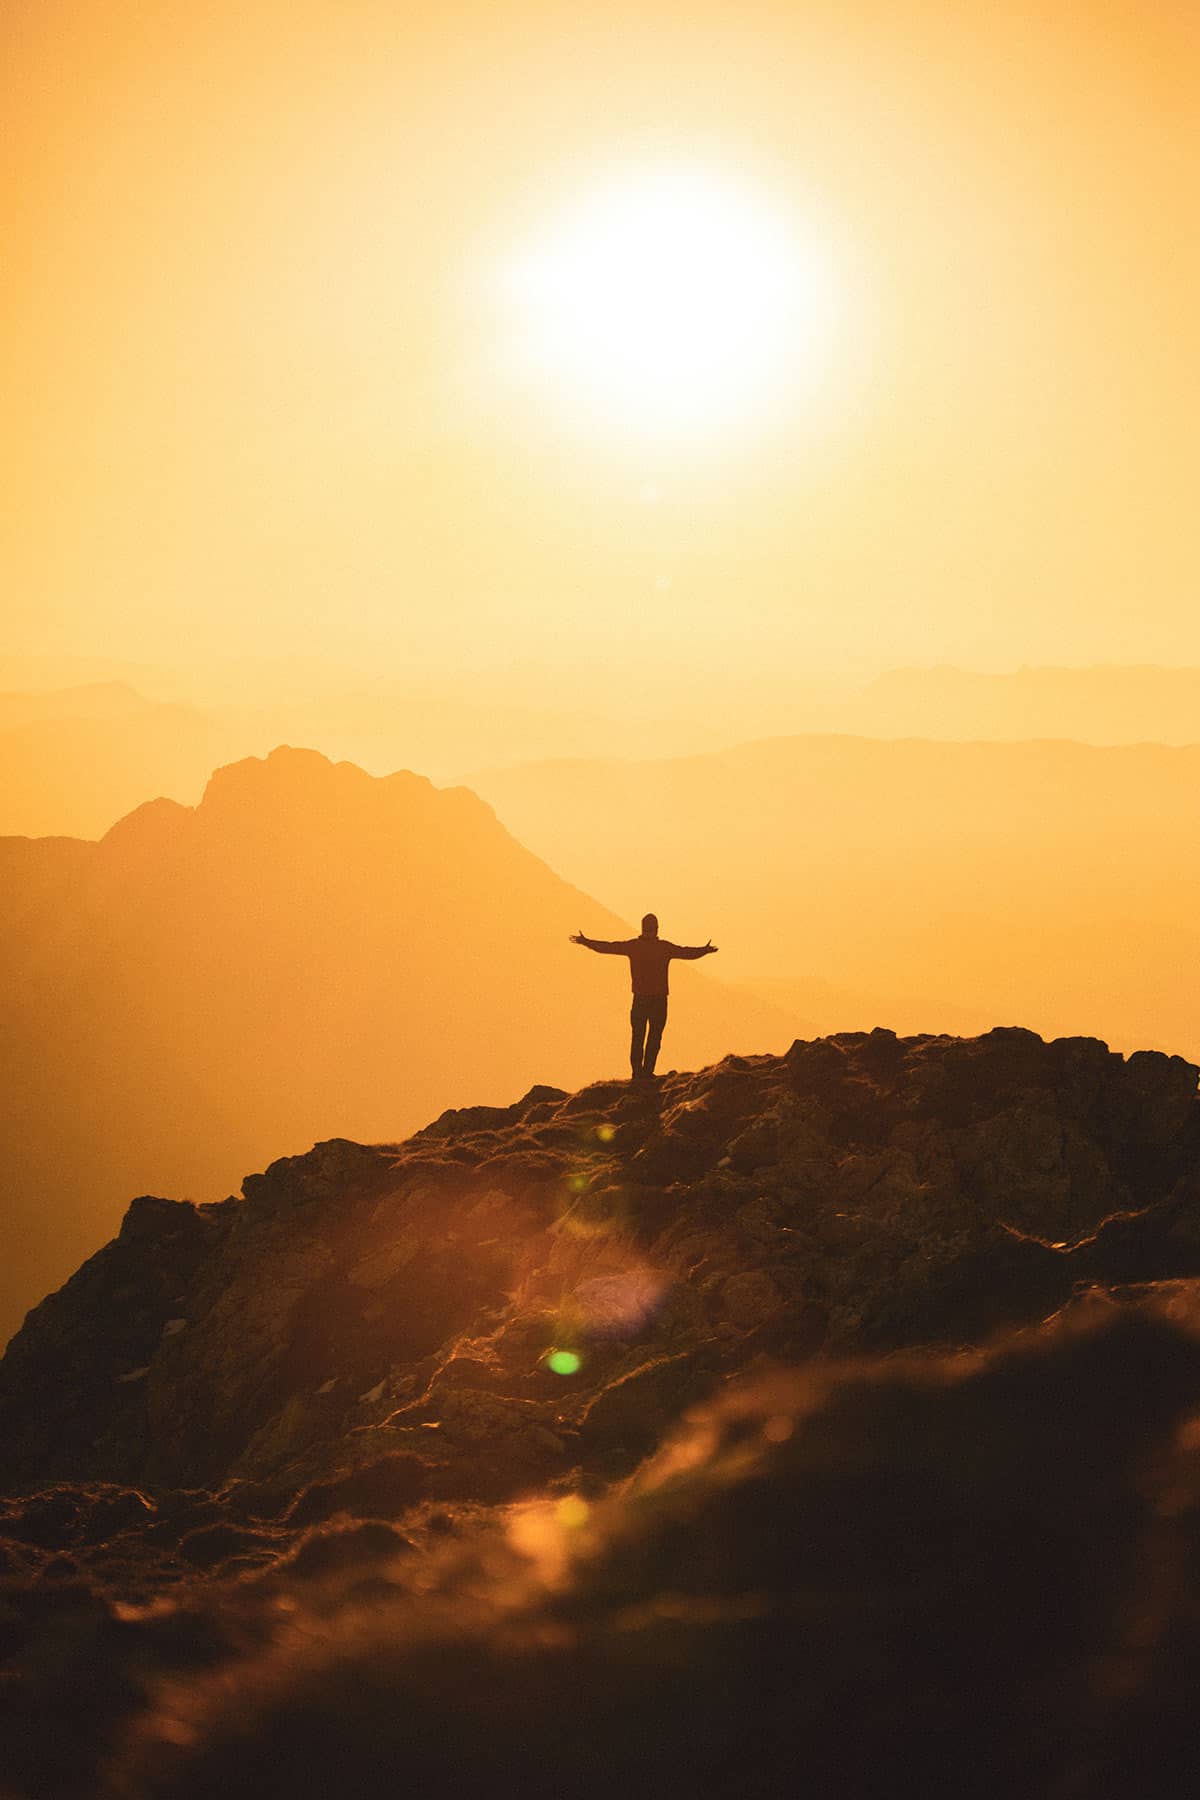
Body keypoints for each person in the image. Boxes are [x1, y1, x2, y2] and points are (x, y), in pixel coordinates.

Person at [570, 913, 718, 1081]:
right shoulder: (663, 947)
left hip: (640, 1000)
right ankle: (646, 1073)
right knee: (654, 1037)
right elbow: (685, 952)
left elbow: (607, 947)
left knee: (638, 1036)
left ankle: (638, 1074)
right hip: (659, 1001)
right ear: (656, 929)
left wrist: (586, 942)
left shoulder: (634, 946)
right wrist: (704, 950)